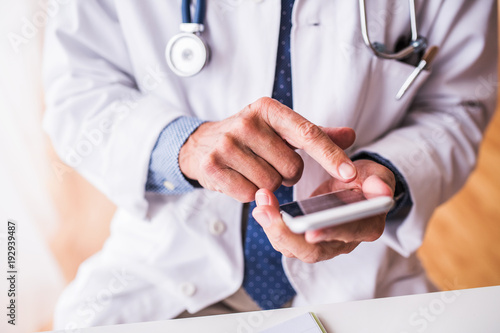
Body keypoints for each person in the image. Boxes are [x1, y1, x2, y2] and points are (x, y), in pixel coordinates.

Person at [42, 0, 497, 329]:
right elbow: (77, 91)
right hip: (163, 269)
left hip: (363, 279)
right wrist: (184, 146)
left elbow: (459, 105)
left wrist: (388, 173)